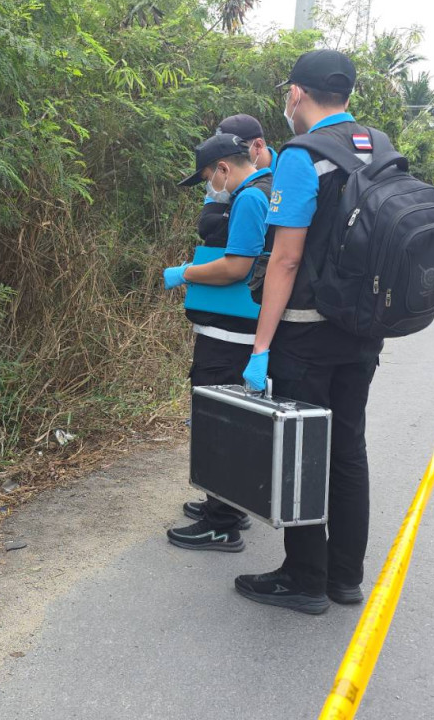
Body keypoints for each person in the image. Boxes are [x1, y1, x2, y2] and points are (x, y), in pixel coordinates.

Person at [236, 49, 383, 615]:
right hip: (362, 331)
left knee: (303, 451)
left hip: (306, 336)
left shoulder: (303, 155)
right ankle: (344, 578)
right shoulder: (378, 146)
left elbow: (286, 260)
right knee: (348, 449)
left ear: (296, 94)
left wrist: (260, 347)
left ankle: (303, 577)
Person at [163, 131, 272, 552]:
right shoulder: (262, 190)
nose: (211, 187)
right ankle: (228, 504)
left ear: (223, 168)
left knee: (219, 424)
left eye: (209, 177)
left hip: (229, 336)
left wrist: (186, 273)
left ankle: (221, 523)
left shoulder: (249, 198)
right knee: (229, 420)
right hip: (236, 332)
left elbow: (237, 267)